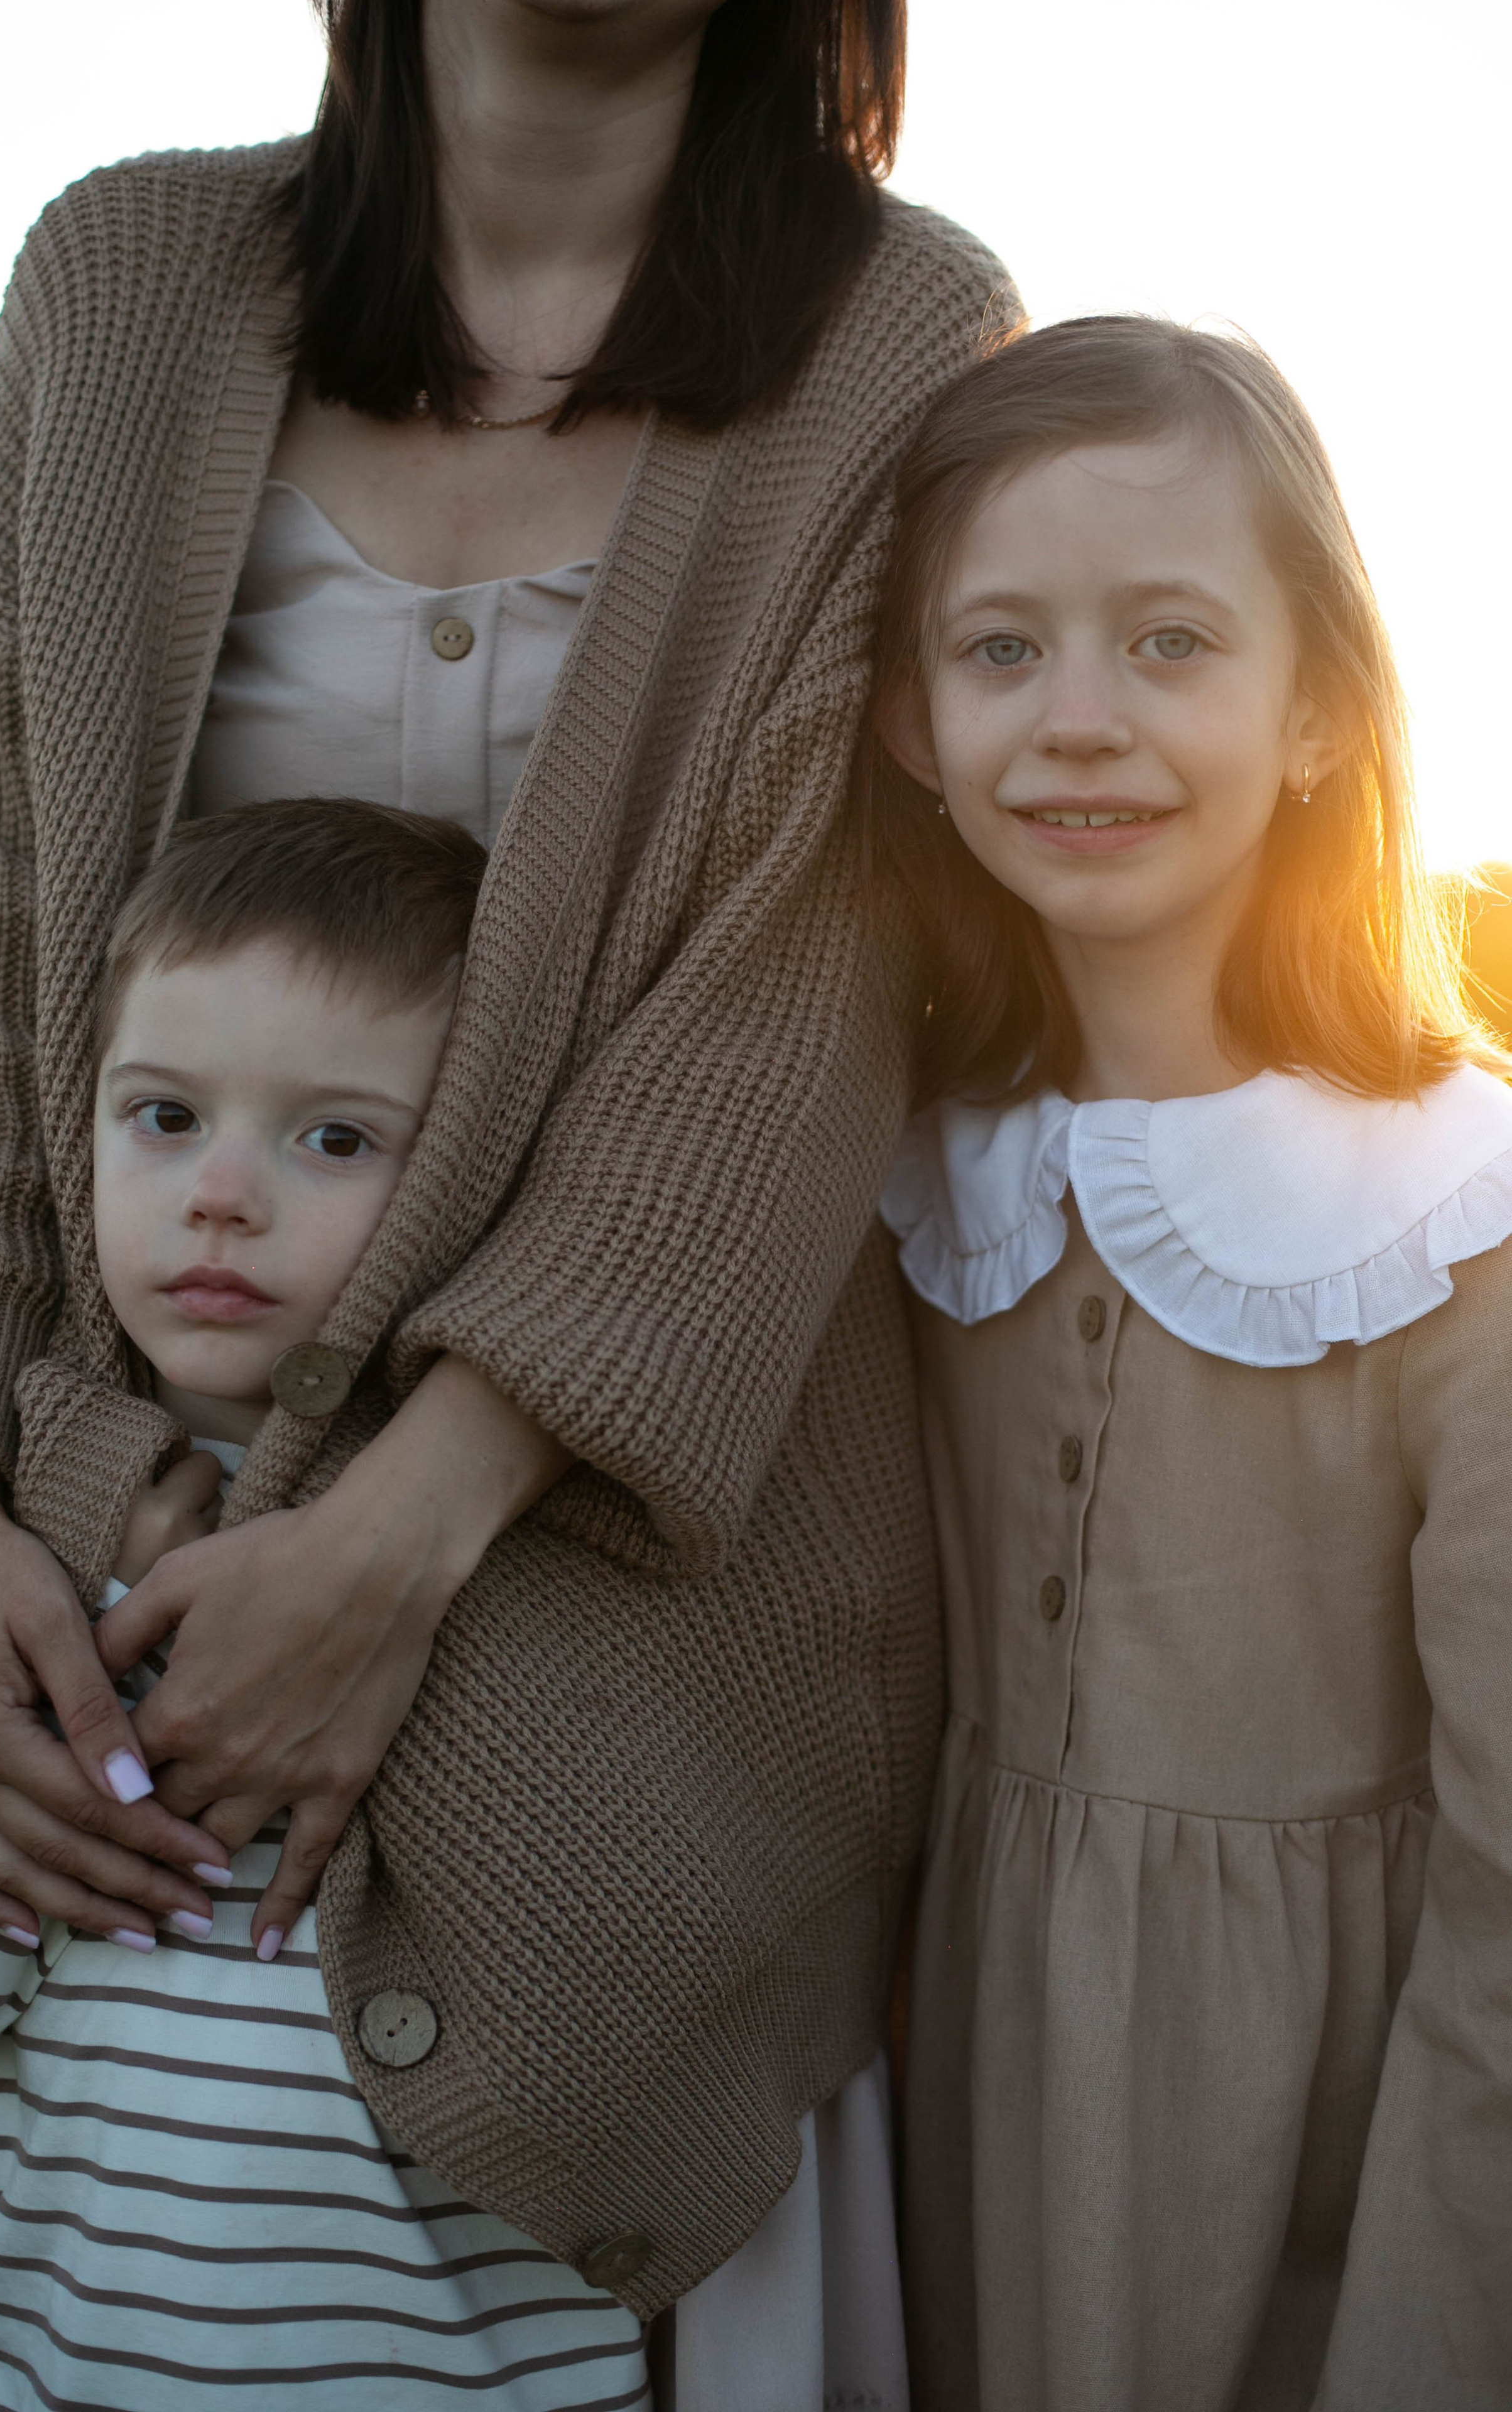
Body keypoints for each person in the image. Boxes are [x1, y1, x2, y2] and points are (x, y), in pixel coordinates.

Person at [0, 0, 1011, 2394]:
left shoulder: (900, 335)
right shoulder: (117, 285)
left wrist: (396, 1539)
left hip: (647, 1581)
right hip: (127, 1561)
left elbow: (815, 1003)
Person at [867, 317, 1512, 2409]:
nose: (1078, 723)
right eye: (1000, 651)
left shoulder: (1451, 1222)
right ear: (904, 715)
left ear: (1319, 704)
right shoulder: (901, 1180)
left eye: (1168, 643)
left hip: (1332, 2158)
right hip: (951, 2112)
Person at [0, 798, 668, 2406]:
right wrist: (90, 1633)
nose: (222, 1195)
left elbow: (623, 2038)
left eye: (334, 1138)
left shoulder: (533, 1562)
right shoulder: (7, 1568)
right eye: (163, 1115)